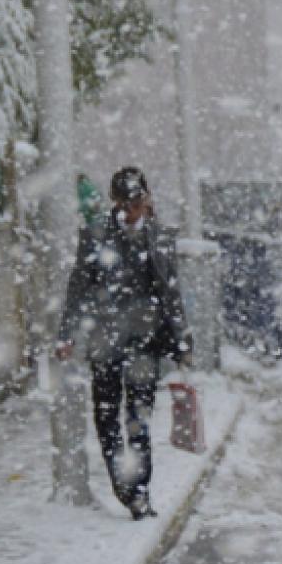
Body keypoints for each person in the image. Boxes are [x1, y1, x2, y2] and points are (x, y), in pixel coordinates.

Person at [55, 167, 193, 520]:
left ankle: (139, 491)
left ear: (146, 200)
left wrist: (181, 338)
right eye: (125, 204)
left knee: (139, 418)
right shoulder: (96, 235)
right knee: (106, 416)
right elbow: (78, 286)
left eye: (137, 202)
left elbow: (171, 291)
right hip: (106, 341)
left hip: (145, 342)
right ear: (115, 203)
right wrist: (67, 332)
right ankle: (123, 481)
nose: (132, 211)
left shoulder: (160, 237)